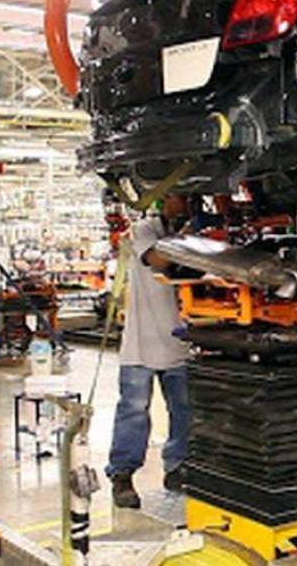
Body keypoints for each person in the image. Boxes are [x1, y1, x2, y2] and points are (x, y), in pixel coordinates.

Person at [106, 194, 191, 509]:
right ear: (163, 200)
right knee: (133, 411)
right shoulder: (145, 229)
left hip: (180, 341)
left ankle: (177, 467)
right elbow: (157, 260)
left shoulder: (190, 232)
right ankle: (122, 475)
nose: (185, 202)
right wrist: (191, 240)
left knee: (183, 411)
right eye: (179, 196)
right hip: (141, 343)